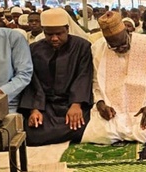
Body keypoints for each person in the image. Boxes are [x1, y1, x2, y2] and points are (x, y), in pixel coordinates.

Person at [82, 11, 146, 144]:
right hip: (114, 107)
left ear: (127, 31)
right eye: (113, 46)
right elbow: (95, 81)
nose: (119, 49)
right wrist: (100, 103)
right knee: (100, 134)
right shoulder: (99, 48)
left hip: (145, 103)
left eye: (122, 44)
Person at [21, 8, 93, 146]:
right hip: (46, 105)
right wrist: (35, 109)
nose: (54, 38)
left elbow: (84, 76)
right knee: (32, 133)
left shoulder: (82, 47)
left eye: (59, 33)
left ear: (67, 29)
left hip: (72, 102)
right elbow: (33, 81)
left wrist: (76, 104)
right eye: (49, 34)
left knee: (84, 125)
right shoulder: (35, 49)